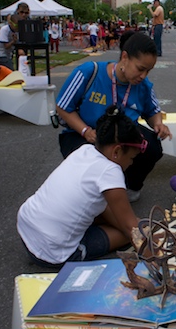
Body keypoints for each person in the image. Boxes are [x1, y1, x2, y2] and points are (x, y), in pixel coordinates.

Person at [17, 105, 145, 267]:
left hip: (27, 227)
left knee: (131, 222)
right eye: (132, 158)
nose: (130, 163)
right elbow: (130, 228)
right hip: (53, 252)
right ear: (117, 152)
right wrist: (158, 258)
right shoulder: (110, 171)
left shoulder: (84, 150)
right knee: (133, 233)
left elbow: (104, 207)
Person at [56, 31, 172, 203]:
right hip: (84, 133)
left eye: (148, 71)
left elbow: (152, 111)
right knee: (89, 160)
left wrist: (158, 124)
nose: (143, 76)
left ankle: (131, 187)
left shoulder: (144, 86)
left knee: (152, 147)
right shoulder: (89, 72)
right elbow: (63, 107)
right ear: (124, 57)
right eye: (140, 69)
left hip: (122, 135)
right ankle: (90, 197)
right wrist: (85, 130)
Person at [0, 2, 30, 70]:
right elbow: (6, 46)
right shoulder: (6, 28)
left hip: (9, 53)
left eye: (26, 13)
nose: (24, 15)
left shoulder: (22, 25)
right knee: (9, 70)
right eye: (21, 12)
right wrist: (14, 41)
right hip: (0, 54)